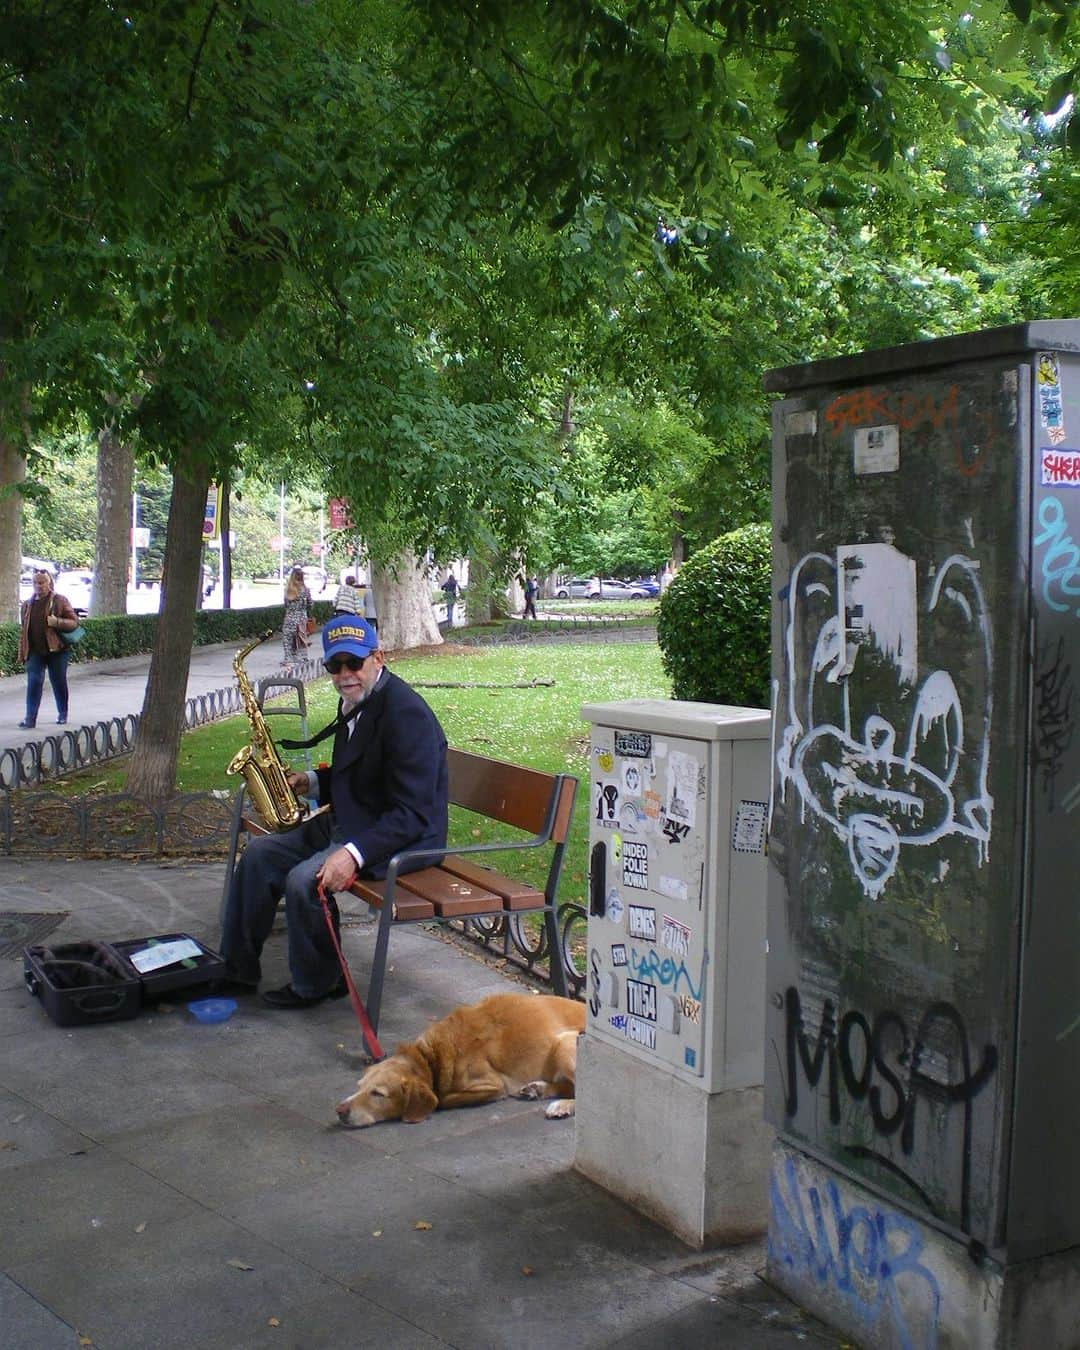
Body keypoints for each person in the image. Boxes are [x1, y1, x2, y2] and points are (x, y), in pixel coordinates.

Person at [219, 615, 449, 1008]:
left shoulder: (405, 714)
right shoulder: (359, 701)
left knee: (303, 880)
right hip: (354, 818)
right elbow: (361, 773)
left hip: (399, 838)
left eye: (354, 664)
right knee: (258, 855)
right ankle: (234, 971)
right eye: (334, 666)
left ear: (378, 657)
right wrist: (309, 781)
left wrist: (353, 853)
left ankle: (320, 982)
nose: (344, 675)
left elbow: (413, 813)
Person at [17, 570, 80, 729]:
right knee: (34, 682)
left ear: (49, 583)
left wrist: (57, 622)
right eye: (35, 583)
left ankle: (62, 713)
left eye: (42, 582)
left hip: (57, 650)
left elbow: (74, 622)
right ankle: (30, 718)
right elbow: (24, 631)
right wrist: (23, 651)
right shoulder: (27, 605)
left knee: (58, 681)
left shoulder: (59, 601)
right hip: (35, 651)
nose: (38, 586)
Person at [281, 566, 312, 670]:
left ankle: (289, 659)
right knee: (301, 640)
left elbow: (285, 604)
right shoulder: (305, 590)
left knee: (288, 640)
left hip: (289, 618)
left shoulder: (288, 589)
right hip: (301, 619)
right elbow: (310, 604)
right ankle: (302, 659)